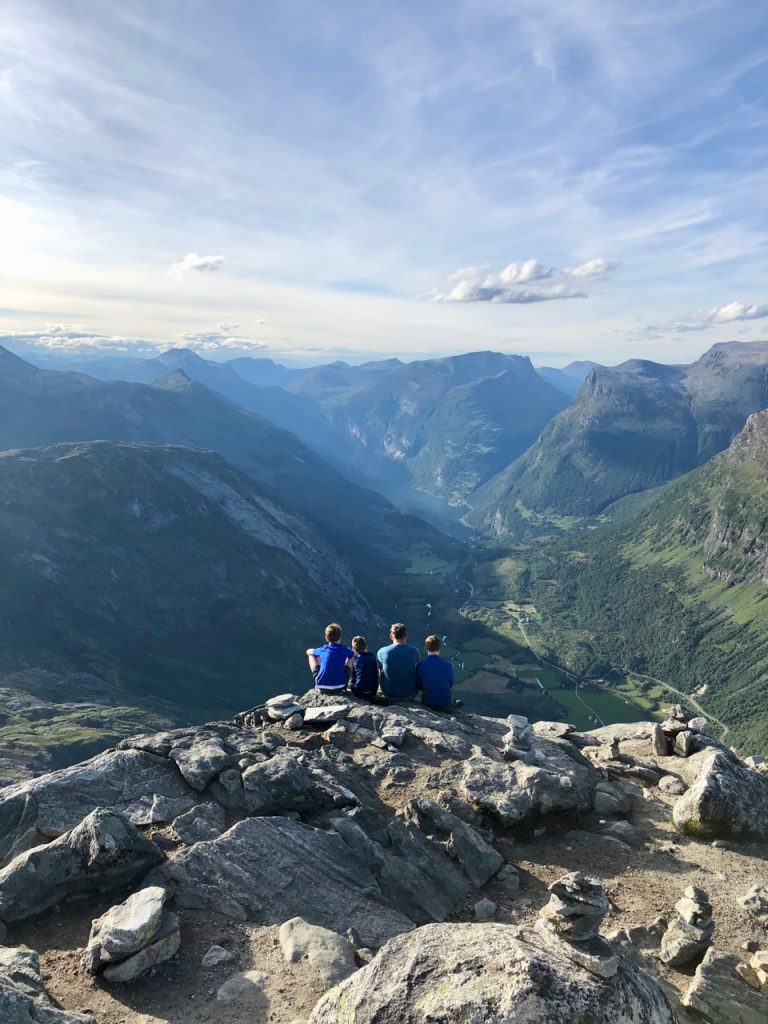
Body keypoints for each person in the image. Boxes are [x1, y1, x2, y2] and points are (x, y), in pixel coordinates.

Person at [416, 634, 463, 711]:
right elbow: (450, 684)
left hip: (428, 703)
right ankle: (454, 703)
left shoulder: (421, 665)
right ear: (439, 648)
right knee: (459, 702)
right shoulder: (447, 665)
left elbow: (419, 685)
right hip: (446, 705)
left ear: (426, 648)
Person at [306, 623, 354, 694]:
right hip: (340, 686)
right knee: (351, 656)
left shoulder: (323, 649)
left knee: (312, 655)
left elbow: (308, 651)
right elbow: (352, 653)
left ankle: (322, 677)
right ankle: (345, 679)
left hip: (321, 686)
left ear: (326, 637)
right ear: (340, 638)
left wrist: (313, 653)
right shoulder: (344, 649)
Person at [377, 623, 419, 702]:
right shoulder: (414, 651)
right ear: (406, 636)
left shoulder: (382, 651)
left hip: (388, 694)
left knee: (380, 666)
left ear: (391, 636)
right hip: (410, 694)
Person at [349, 635, 379, 700]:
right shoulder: (372, 657)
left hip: (359, 693)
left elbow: (354, 677)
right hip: (372, 692)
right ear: (366, 647)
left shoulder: (356, 660)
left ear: (353, 649)